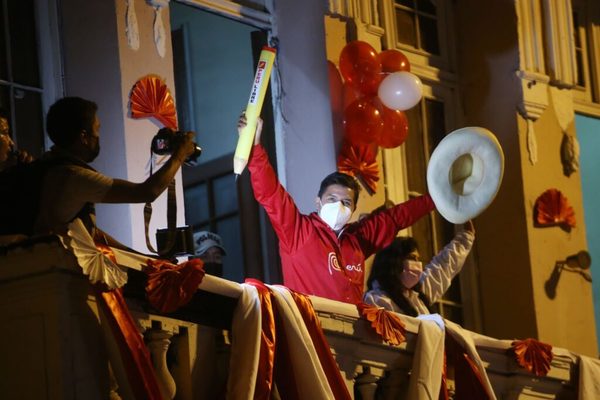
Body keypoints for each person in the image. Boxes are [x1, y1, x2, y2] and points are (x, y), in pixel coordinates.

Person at [239, 114, 436, 304]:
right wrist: (256, 148)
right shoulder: (298, 230)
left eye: (346, 202)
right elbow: (271, 194)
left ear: (354, 209)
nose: (338, 205)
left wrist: (435, 199)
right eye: (332, 199)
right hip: (308, 328)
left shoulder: (359, 238)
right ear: (318, 202)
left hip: (351, 332)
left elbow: (397, 218)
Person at [4, 97, 196, 237]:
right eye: (97, 129)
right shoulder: (74, 176)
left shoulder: (45, 166)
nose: (99, 136)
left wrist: (144, 259)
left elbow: (90, 234)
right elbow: (147, 192)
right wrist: (180, 154)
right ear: (84, 137)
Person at [364, 220, 475, 316]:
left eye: (418, 259)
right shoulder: (376, 299)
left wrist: (467, 236)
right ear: (393, 262)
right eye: (412, 258)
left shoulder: (418, 295)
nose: (418, 264)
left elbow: (443, 266)